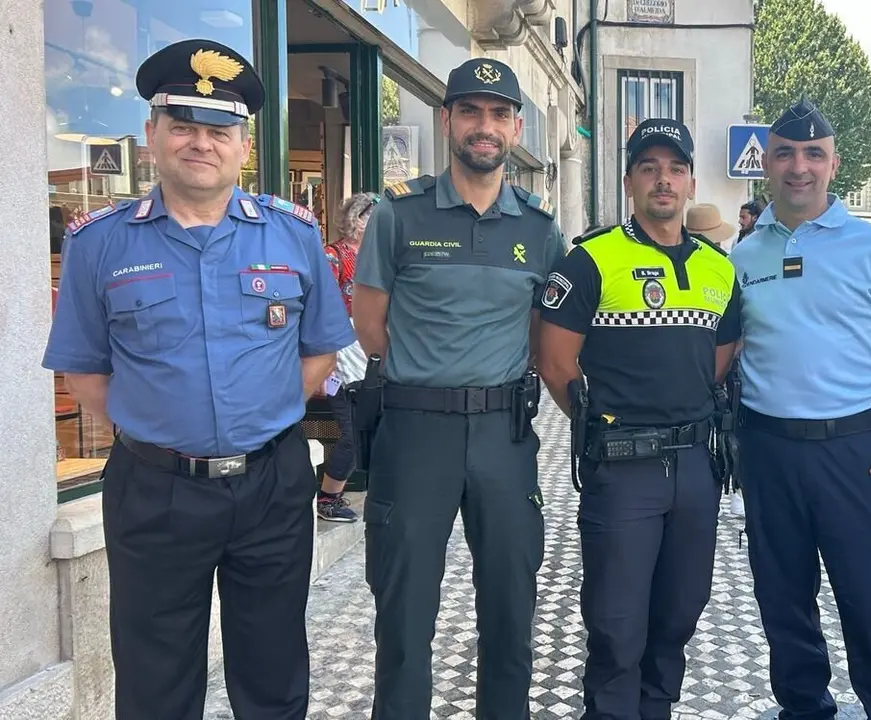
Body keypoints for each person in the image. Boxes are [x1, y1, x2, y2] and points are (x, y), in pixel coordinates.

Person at [41, 39, 356, 720]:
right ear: (151, 136)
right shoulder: (100, 243)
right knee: (155, 681)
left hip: (271, 484)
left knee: (273, 670)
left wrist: (257, 419)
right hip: (154, 490)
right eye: (182, 125)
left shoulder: (292, 235)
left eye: (219, 130)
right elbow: (85, 371)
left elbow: (320, 355)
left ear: (243, 146)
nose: (200, 143)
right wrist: (162, 427)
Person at [352, 56, 565, 720]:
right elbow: (370, 325)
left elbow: (540, 334)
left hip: (504, 434)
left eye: (498, 114)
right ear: (446, 121)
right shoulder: (399, 215)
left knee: (510, 609)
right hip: (416, 433)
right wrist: (436, 377)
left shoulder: (539, 228)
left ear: (516, 127)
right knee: (406, 615)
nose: (485, 126)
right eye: (470, 111)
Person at [728, 96, 871, 719]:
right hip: (770, 455)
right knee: (784, 607)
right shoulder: (741, 257)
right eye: (785, 153)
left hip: (857, 454)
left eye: (813, 154)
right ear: (767, 164)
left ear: (833, 163)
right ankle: (803, 710)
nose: (799, 167)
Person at [536, 117, 742, 720]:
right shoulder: (593, 259)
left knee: (680, 612)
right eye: (649, 168)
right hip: (623, 468)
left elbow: (720, 359)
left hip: (695, 467)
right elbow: (554, 362)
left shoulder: (717, 268)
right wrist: (601, 428)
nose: (664, 180)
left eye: (675, 168)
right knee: (616, 623)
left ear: (691, 181)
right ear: (629, 181)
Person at [316, 191, 381, 522]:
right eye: (372, 216)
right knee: (352, 433)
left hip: (372, 352)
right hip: (342, 355)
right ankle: (328, 497)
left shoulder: (378, 257)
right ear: (356, 219)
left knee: (371, 427)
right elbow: (322, 307)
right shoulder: (334, 255)